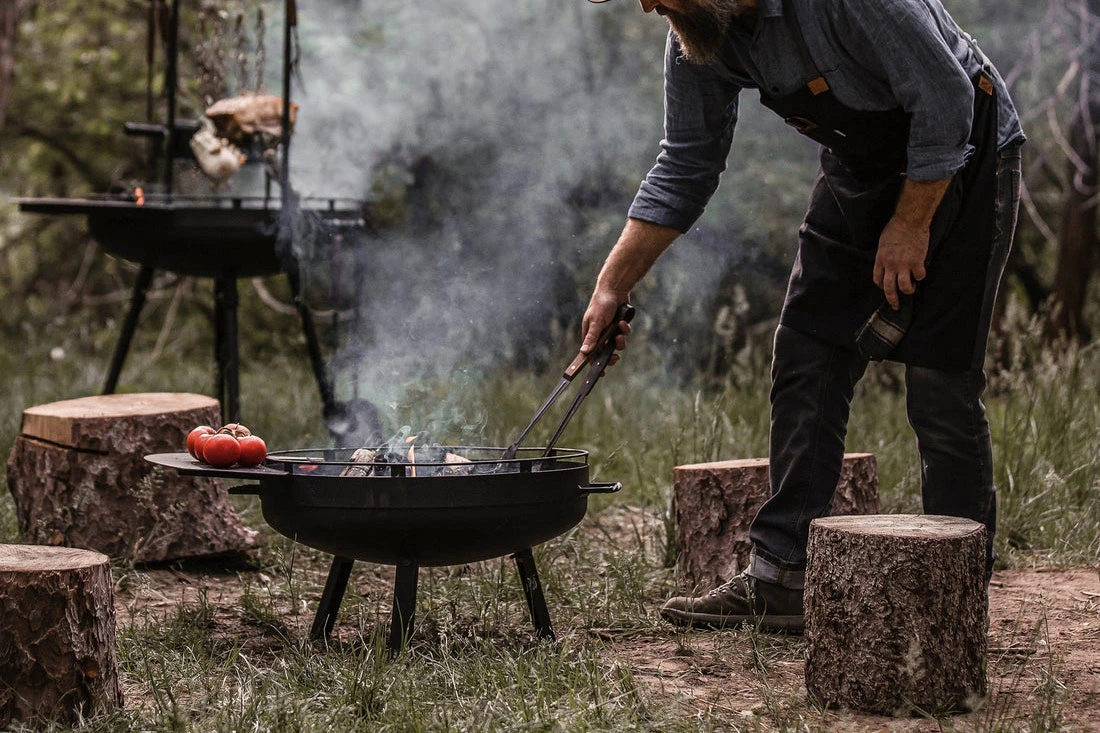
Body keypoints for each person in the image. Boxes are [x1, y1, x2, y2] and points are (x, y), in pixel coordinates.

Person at [579, 0, 1025, 632]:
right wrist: (611, 285)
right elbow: (686, 164)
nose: (650, 5)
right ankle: (782, 577)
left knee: (939, 383)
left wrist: (910, 222)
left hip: (969, 153)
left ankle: (955, 599)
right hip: (862, 167)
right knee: (806, 353)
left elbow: (946, 97)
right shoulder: (700, 35)